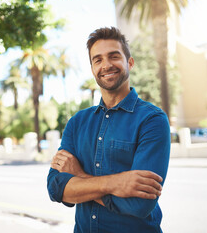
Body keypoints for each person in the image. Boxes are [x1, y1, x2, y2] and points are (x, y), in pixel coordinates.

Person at [47, 26, 170, 233]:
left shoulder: (152, 120)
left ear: (129, 62)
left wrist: (79, 175)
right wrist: (116, 183)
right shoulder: (77, 122)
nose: (106, 65)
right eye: (98, 59)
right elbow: (56, 187)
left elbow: (139, 205)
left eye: (114, 56)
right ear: (93, 68)